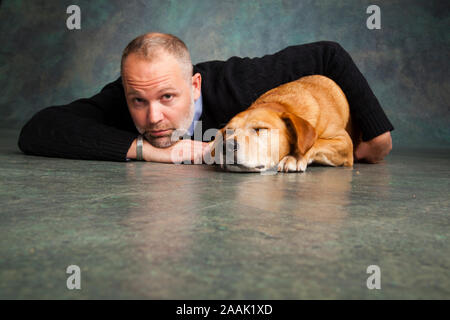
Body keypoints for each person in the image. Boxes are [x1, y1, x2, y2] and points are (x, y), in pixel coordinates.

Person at [18, 32, 393, 164]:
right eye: (138, 101)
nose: (153, 118)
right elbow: (38, 129)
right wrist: (154, 151)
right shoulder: (127, 97)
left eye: (168, 97)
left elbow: (328, 54)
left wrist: (376, 135)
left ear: (195, 85)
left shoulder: (238, 85)